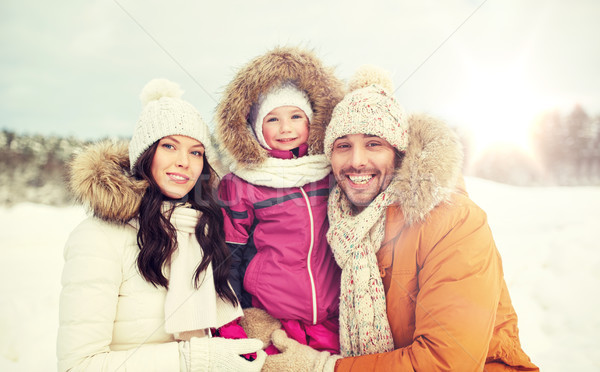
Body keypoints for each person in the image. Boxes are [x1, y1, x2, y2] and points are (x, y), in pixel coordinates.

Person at [253, 67, 540, 371]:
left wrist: (325, 368)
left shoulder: (454, 221)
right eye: (343, 146)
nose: (356, 161)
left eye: (373, 144)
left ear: (398, 153)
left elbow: (446, 362)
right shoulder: (340, 224)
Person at [57, 79, 266, 372]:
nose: (184, 162)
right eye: (169, 146)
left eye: (195, 152)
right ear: (145, 154)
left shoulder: (202, 230)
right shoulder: (98, 237)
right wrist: (191, 359)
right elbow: (77, 365)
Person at [215, 47, 344, 356]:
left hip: (333, 319)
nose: (286, 128)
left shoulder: (330, 172)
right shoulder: (243, 183)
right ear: (256, 129)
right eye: (273, 119)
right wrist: (234, 316)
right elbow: (228, 257)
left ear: (313, 120)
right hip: (272, 319)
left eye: (296, 116)